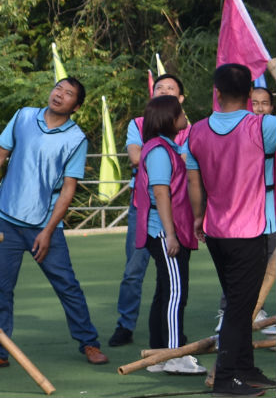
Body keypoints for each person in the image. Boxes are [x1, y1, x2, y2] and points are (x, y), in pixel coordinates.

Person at [0, 78, 107, 369]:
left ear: (76, 106)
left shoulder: (76, 139)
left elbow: (68, 188)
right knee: (1, 288)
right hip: (5, 217)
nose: (59, 95)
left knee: (67, 284)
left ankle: (89, 343)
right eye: (58, 88)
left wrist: (48, 231)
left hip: (44, 224)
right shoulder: (23, 116)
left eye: (68, 94)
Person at [185, 63, 276, 396]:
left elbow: (195, 182)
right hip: (249, 231)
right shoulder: (263, 126)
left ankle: (245, 368)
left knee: (241, 301)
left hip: (215, 230)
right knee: (240, 308)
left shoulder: (196, 131)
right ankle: (226, 378)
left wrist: (198, 218)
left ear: (217, 92)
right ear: (251, 95)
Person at [109, 73, 188, 347]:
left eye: (170, 89)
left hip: (178, 211)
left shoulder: (186, 128)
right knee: (135, 268)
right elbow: (135, 157)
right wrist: (166, 154)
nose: (164, 91)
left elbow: (193, 162)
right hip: (145, 209)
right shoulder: (141, 127)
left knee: (171, 279)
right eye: (160, 88)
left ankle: (167, 331)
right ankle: (126, 325)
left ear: (180, 99)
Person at [133, 95, 205, 374]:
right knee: (175, 292)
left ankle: (160, 353)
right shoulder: (160, 151)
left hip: (163, 231)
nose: (184, 115)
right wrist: (171, 235)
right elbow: (161, 193)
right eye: (180, 112)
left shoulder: (163, 147)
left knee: (166, 291)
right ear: (169, 119)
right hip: (164, 232)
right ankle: (175, 355)